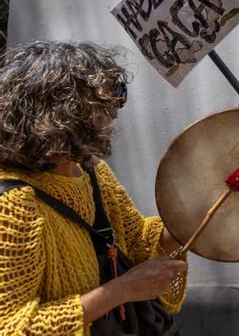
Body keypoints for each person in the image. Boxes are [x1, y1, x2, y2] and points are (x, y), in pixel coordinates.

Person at [0, 41, 188, 334]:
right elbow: (10, 328)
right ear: (61, 111)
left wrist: (191, 219)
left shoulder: (91, 171)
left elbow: (135, 240)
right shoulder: (11, 205)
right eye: (104, 99)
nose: (115, 108)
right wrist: (120, 291)